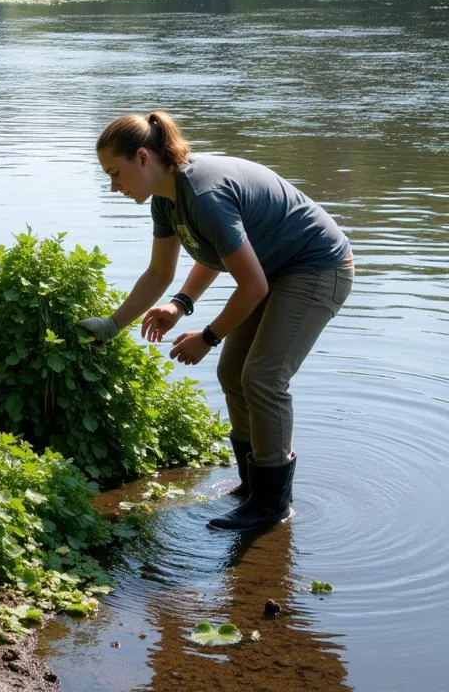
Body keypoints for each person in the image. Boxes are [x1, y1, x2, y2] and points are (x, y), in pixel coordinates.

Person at [79, 111, 353, 531]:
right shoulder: (166, 201)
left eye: (115, 174)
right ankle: (251, 487)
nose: (113, 187)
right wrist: (124, 321)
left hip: (318, 267)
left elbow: (253, 285)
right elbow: (162, 272)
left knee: (263, 377)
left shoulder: (204, 195)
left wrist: (207, 336)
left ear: (142, 158)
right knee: (232, 372)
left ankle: (272, 505)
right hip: (273, 269)